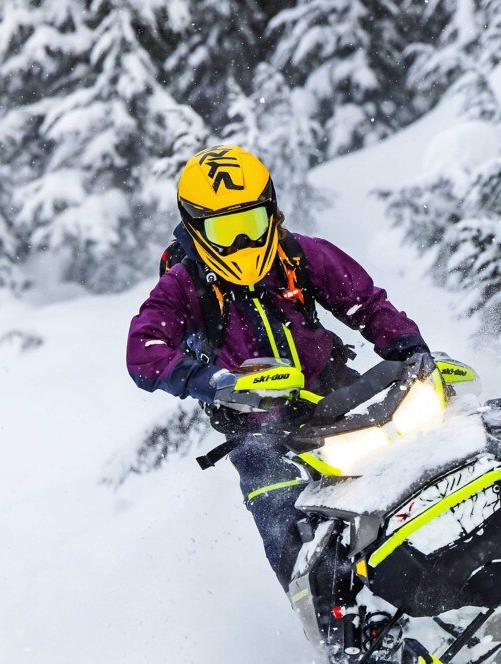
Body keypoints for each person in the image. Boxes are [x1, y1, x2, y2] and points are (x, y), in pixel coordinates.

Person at [126, 146, 433, 587]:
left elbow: (367, 303)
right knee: (286, 525)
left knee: (421, 444)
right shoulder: (183, 285)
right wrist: (213, 383)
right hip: (257, 434)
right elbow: (144, 350)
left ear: (270, 212)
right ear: (196, 230)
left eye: (250, 225)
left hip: (337, 397)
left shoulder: (299, 256)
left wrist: (408, 346)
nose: (242, 243)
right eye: (224, 231)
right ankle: (342, 637)